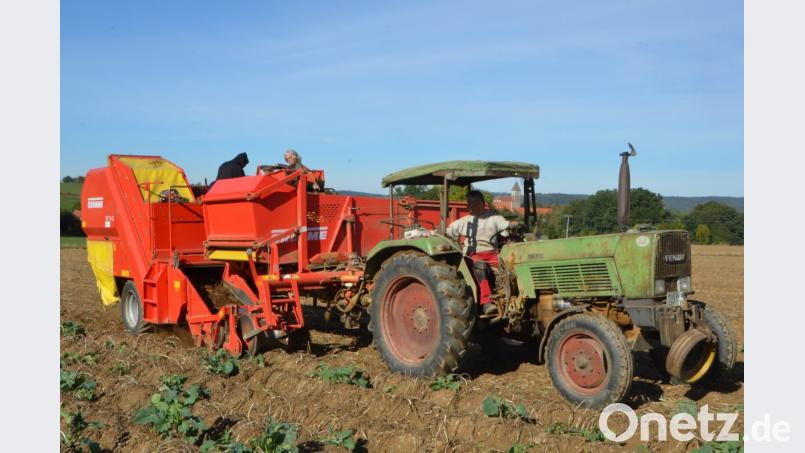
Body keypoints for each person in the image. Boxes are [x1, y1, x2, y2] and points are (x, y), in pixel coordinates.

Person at [446, 190, 513, 316]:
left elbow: (506, 227)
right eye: (468, 203)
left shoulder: (494, 218)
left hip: (493, 254)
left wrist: (513, 225)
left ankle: (510, 299)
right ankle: (486, 302)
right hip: (473, 256)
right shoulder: (465, 221)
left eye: (472, 203)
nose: (469, 206)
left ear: (482, 203)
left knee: (510, 269)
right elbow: (448, 231)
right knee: (480, 266)